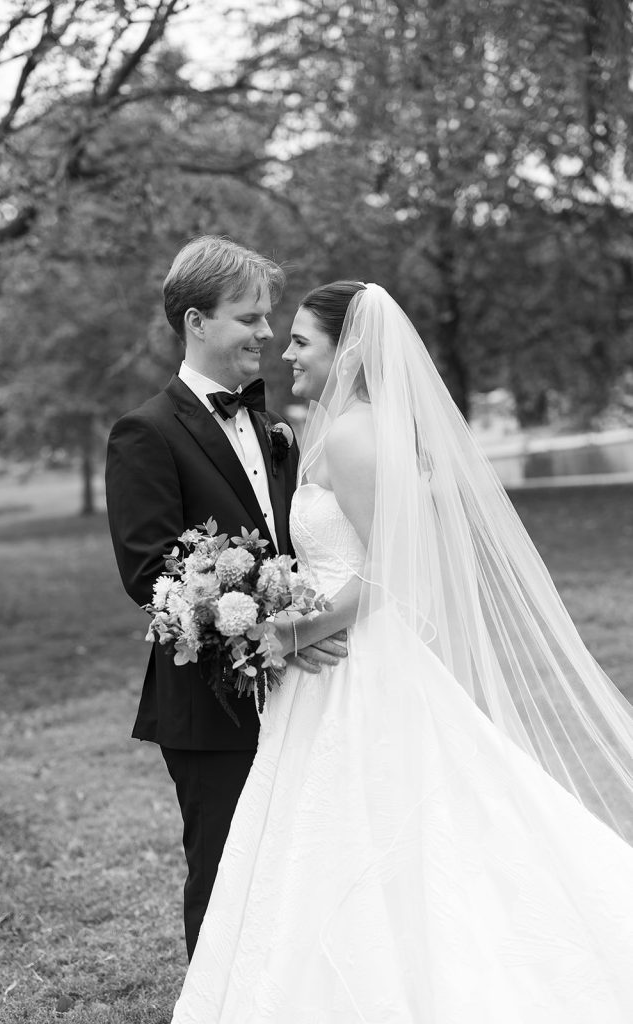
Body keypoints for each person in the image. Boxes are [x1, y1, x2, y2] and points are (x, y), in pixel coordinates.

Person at [170, 281, 633, 1023]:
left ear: (345, 349)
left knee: (385, 819)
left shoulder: (353, 435)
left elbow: (390, 569)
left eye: (300, 342)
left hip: (354, 662)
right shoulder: (330, 428)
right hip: (329, 662)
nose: (284, 353)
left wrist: (289, 633)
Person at [105, 237, 345, 961]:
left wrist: (306, 622)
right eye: (250, 318)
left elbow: (292, 546)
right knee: (226, 870)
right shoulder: (144, 433)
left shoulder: (276, 427)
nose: (268, 334)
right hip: (209, 702)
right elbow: (150, 575)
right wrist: (264, 630)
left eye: (270, 318)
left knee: (294, 863)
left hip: (302, 688)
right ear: (197, 323)